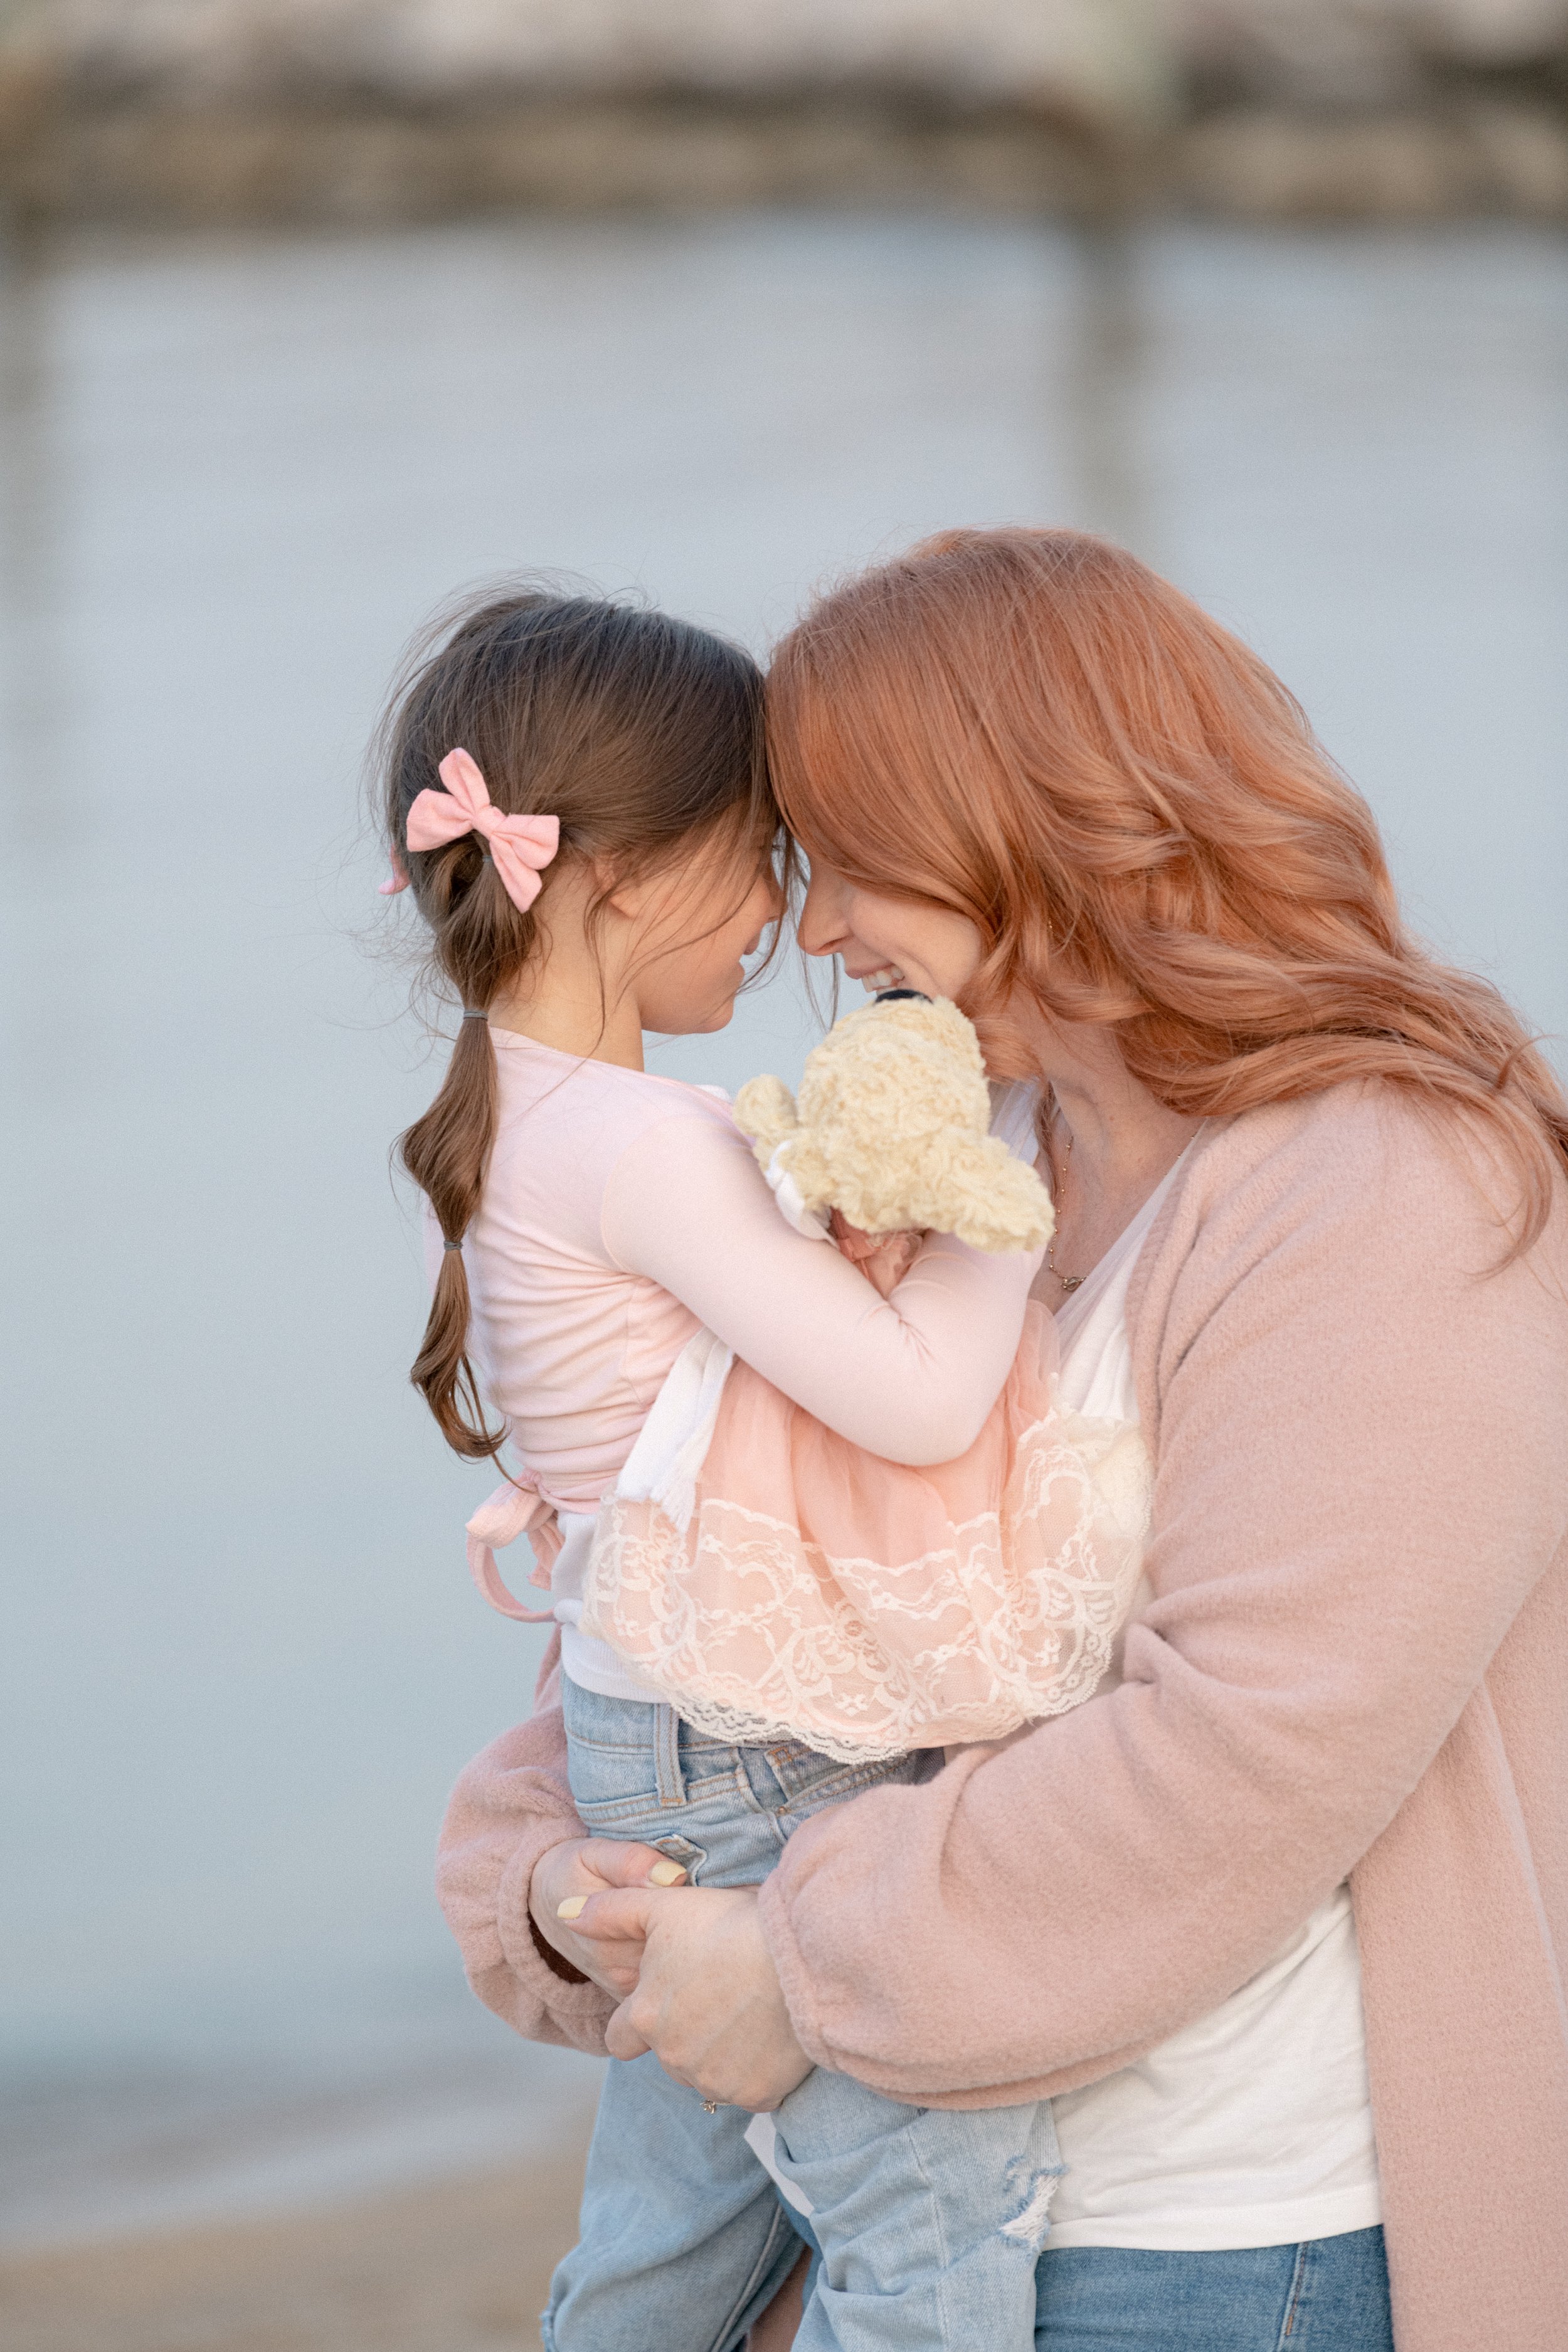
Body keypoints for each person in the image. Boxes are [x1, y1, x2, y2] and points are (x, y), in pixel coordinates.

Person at [435, 532, 1568, 2352]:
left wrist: (798, 1969)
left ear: (1031, 832)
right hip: (908, 2211)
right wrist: (561, 1875)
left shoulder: (1390, 1190)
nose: (813, 933)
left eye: (857, 864)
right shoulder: (975, 1146)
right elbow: (757, 1598)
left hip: (1215, 2250)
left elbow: (1248, 1749)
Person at [380, 585, 1149, 2352]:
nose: (791, 920)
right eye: (762, 857)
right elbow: (916, 1402)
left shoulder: (522, 1115)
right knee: (927, 2233)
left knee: (671, 2250)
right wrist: (1005, 1126)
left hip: (645, 1729)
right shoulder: (645, 1145)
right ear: (616, 877)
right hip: (759, 1742)